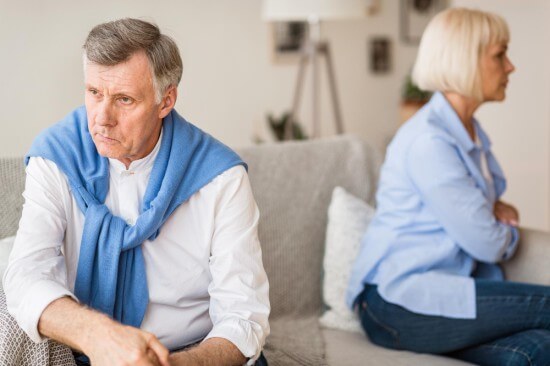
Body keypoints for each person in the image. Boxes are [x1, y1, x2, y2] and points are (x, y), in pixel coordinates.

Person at [3, 18, 270, 366]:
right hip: (89, 349)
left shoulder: (222, 178)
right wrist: (100, 337)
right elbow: (26, 276)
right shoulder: (55, 157)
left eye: (124, 99)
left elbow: (244, 316)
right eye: (94, 93)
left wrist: (169, 365)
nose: (102, 118)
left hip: (195, 357)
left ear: (165, 101)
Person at [347, 7, 550, 365]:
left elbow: (480, 215)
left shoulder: (467, 130)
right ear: (465, 60)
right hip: (397, 300)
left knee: (535, 351)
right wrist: (505, 227)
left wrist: (489, 214)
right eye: (500, 55)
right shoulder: (430, 141)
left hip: (442, 291)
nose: (511, 67)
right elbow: (487, 242)